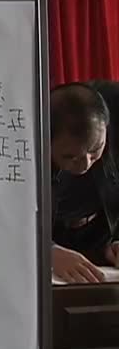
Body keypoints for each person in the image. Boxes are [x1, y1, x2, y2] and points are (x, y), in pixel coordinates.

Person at [50, 79, 119, 283]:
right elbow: (8, 220)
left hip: (100, 227)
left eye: (95, 150)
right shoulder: (20, 151)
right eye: (70, 156)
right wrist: (48, 251)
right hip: (53, 235)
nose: (85, 164)